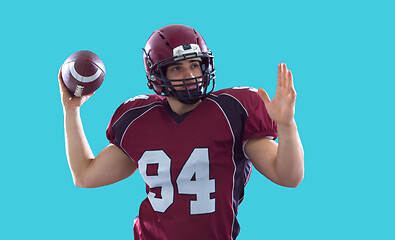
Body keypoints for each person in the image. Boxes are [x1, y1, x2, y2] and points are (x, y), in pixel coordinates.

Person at [59, 24, 304, 240]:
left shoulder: (234, 111)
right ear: (158, 74)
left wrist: (286, 125)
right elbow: (85, 175)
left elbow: (288, 176)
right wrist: (71, 111)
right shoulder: (138, 119)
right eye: (176, 68)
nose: (190, 75)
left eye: (195, 65)